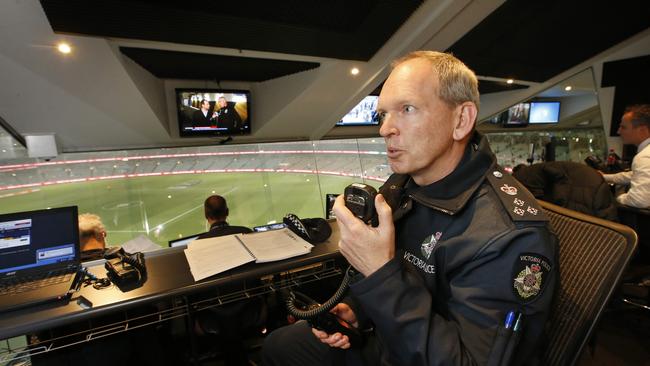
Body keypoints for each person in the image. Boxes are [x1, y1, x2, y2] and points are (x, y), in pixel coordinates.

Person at [262, 51, 558, 366]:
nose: (385, 129)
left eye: (407, 109)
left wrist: (378, 273)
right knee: (280, 344)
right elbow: (407, 277)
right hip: (393, 338)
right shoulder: (402, 186)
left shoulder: (508, 237)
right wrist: (358, 310)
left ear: (461, 120)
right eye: (383, 115)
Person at [193, 195, 265, 366]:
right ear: (227, 212)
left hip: (214, 318)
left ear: (206, 215)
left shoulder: (196, 245)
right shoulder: (246, 232)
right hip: (249, 310)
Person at [602, 104, 650, 208]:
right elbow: (635, 174)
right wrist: (604, 177)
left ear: (642, 130)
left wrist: (618, 197)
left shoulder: (644, 157)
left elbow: (639, 200)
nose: (619, 131)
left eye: (623, 127)